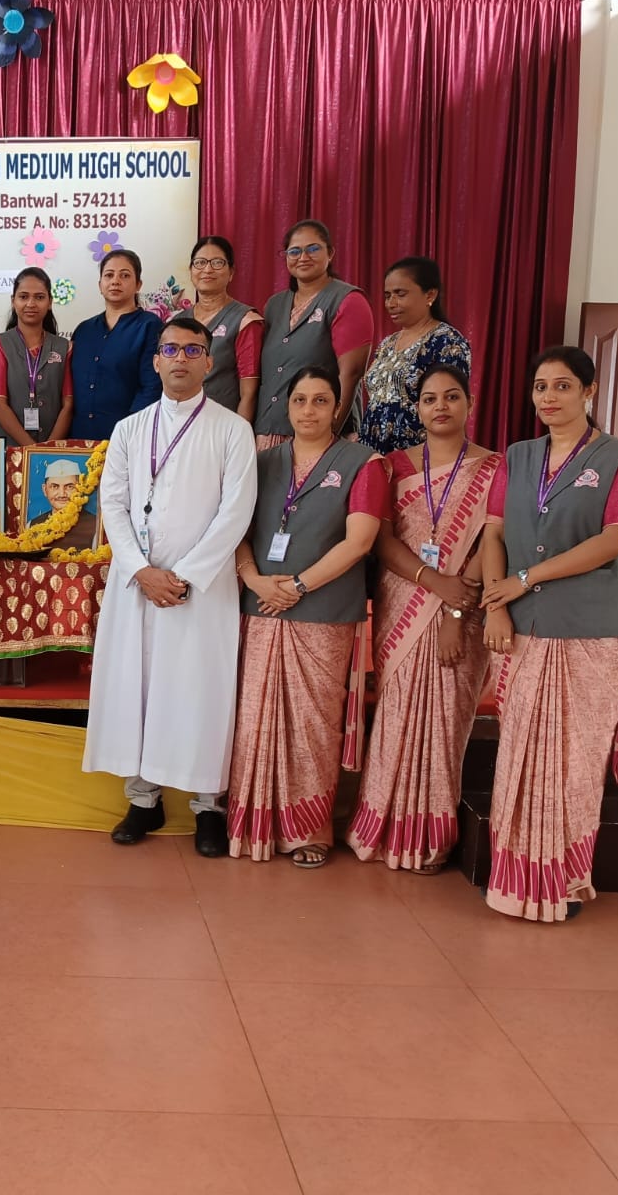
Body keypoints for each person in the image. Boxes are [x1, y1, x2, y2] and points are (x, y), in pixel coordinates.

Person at [478, 345, 618, 922]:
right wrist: (496, 604)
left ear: (588, 390)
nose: (548, 397)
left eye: (562, 386)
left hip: (592, 630)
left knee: (574, 760)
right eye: (540, 387)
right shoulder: (518, 456)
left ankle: (563, 879)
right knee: (520, 754)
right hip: (524, 626)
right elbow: (493, 533)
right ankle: (514, 879)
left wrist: (527, 578)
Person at [83, 317, 258, 856]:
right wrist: (140, 570)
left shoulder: (233, 430)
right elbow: (112, 504)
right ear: (156, 360)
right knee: (136, 688)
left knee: (198, 690)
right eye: (171, 349)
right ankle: (143, 800)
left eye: (193, 350)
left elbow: (236, 512)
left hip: (199, 590)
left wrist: (183, 576)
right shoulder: (129, 429)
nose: (181, 358)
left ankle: (208, 806)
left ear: (209, 361)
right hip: (137, 585)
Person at [228, 364, 388, 866]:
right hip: (260, 607)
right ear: (287, 405)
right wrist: (254, 580)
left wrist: (298, 587)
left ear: (337, 407)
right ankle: (253, 824)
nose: (309, 410)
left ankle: (309, 830)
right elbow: (236, 530)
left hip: (322, 613)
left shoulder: (364, 464)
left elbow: (359, 542)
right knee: (254, 720)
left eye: (321, 400)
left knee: (313, 723)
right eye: (300, 400)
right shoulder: (261, 462)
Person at [348, 365, 499, 873]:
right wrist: (433, 581)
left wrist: (455, 607)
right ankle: (379, 827)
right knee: (395, 715)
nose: (441, 407)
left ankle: (427, 838)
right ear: (416, 408)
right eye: (430, 398)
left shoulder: (494, 468)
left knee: (447, 722)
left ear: (469, 403)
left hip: (464, 605)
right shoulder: (393, 466)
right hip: (404, 598)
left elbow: (492, 540)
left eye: (452, 397)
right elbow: (382, 539)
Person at [255, 220, 374, 447]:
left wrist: (328, 435)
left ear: (330, 253)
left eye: (312, 249)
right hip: (270, 431)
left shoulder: (348, 300)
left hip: (322, 433)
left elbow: (351, 374)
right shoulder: (274, 305)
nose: (303, 257)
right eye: (294, 251)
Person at [357, 257, 473, 454]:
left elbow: (452, 406)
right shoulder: (387, 343)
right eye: (387, 296)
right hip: (372, 454)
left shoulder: (447, 341)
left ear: (430, 295)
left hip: (420, 457)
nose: (391, 303)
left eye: (400, 294)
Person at [68, 249, 163, 439]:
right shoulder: (84, 330)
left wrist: (128, 434)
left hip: (127, 438)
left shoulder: (150, 326)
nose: (115, 281)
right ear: (100, 285)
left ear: (138, 284)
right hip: (79, 439)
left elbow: (152, 388)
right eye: (109, 275)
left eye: (125, 275)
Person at [0, 267, 73, 445]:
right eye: (23, 297)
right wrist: (32, 449)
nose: (31, 304)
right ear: (13, 301)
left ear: (50, 302)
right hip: (11, 451)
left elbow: (68, 405)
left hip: (54, 450)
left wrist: (49, 448)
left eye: (39, 297)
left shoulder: (64, 347)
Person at [188, 236, 263, 417]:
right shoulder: (177, 321)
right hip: (180, 423)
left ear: (231, 272)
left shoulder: (245, 321)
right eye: (200, 263)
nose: (207, 269)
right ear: (191, 270)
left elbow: (249, 394)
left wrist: (240, 431)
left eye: (217, 263)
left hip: (223, 423)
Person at [27, 458, 99, 551]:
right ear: (45, 490)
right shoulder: (32, 525)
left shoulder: (95, 526)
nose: (62, 494)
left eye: (69, 487)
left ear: (80, 489)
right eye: (54, 486)